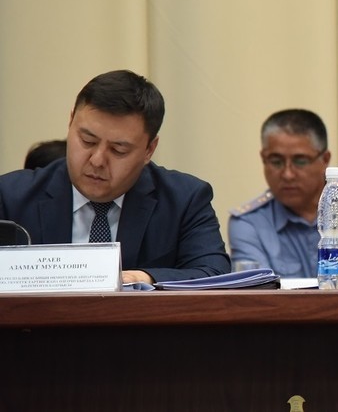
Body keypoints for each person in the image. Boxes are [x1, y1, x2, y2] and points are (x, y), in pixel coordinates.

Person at [0, 69, 231, 283]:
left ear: (149, 150)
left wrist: (141, 278)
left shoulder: (184, 200)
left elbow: (213, 273)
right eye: (87, 141)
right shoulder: (10, 197)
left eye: (118, 150)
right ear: (70, 123)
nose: (97, 160)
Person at [228, 109, 338, 278]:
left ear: (325, 159)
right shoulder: (249, 223)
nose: (287, 174)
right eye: (276, 161)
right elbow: (256, 289)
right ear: (263, 158)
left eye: (300, 161)